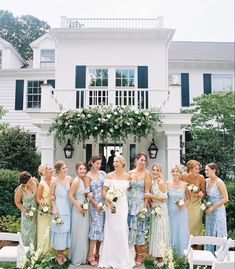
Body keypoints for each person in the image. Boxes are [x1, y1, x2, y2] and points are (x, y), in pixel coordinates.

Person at [99, 155, 135, 269]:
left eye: (117, 161)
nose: (115, 163)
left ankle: (123, 258)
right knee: (111, 229)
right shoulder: (109, 175)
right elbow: (104, 191)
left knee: (121, 229)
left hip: (122, 206)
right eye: (114, 161)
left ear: (122, 163)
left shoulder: (128, 176)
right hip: (111, 206)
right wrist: (109, 201)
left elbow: (130, 189)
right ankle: (109, 258)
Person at [128, 153, 151, 266]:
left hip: (140, 203)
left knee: (139, 230)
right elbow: (127, 188)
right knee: (130, 228)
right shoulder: (130, 173)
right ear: (136, 160)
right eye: (141, 160)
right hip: (130, 203)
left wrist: (144, 208)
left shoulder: (147, 174)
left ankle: (139, 254)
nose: (143, 162)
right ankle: (131, 253)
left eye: (144, 160)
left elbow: (147, 192)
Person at [145, 163, 171, 265]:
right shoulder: (152, 182)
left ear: (160, 172)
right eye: (153, 170)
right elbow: (151, 198)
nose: (155, 172)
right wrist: (152, 204)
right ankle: (157, 256)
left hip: (162, 210)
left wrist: (150, 195)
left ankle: (162, 258)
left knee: (161, 232)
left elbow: (164, 198)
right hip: (155, 209)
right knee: (155, 232)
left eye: (157, 170)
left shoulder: (160, 182)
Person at [50, 160, 72, 265]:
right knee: (59, 231)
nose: (66, 169)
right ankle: (58, 255)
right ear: (58, 170)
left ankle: (62, 253)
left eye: (66, 167)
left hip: (68, 208)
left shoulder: (69, 179)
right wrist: (54, 209)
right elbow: (51, 197)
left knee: (65, 231)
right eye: (63, 168)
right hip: (58, 208)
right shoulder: (54, 181)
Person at [85, 156, 106, 266]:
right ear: (92, 163)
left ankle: (98, 253)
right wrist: (96, 205)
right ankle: (90, 255)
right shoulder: (87, 176)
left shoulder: (103, 174)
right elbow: (88, 193)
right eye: (97, 163)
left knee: (101, 229)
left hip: (104, 205)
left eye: (100, 163)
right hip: (95, 206)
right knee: (95, 228)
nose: (99, 165)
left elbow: (106, 187)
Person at [69, 162, 90, 266]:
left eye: (84, 169)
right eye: (80, 169)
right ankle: (77, 257)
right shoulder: (76, 181)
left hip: (85, 207)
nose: (82, 170)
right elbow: (71, 196)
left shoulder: (85, 179)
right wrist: (78, 208)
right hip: (78, 208)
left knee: (84, 232)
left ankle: (84, 257)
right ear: (77, 170)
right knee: (79, 233)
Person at [167, 164, 190, 256]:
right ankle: (171, 254)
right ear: (171, 173)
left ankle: (183, 254)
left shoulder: (185, 184)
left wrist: (184, 205)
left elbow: (189, 198)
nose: (175, 173)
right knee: (172, 231)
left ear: (180, 173)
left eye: (177, 171)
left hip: (182, 213)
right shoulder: (167, 183)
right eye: (173, 171)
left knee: (182, 232)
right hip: (171, 212)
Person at [205, 163, 228, 251]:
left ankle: (220, 256)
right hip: (209, 211)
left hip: (218, 211)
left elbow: (226, 199)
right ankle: (208, 255)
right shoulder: (206, 181)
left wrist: (213, 207)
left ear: (213, 170)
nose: (205, 171)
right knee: (209, 231)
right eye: (205, 170)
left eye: (207, 170)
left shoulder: (219, 182)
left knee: (219, 232)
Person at [180, 160, 206, 238]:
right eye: (196, 169)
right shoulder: (183, 176)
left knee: (197, 225)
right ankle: (186, 244)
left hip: (196, 205)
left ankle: (198, 246)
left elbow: (204, 193)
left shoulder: (201, 178)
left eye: (198, 169)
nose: (198, 171)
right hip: (186, 204)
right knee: (186, 225)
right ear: (190, 169)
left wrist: (200, 194)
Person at [14, 171, 38, 247]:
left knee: (37, 232)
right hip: (27, 215)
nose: (32, 183)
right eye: (29, 182)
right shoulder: (20, 190)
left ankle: (36, 254)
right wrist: (26, 212)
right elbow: (17, 203)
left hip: (37, 212)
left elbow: (40, 193)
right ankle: (26, 255)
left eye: (31, 180)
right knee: (27, 234)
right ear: (24, 183)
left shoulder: (35, 180)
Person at [36, 164, 54, 252]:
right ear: (45, 172)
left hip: (54, 207)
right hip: (45, 209)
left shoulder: (55, 180)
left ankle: (52, 252)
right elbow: (38, 198)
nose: (52, 170)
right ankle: (43, 252)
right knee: (44, 230)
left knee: (52, 230)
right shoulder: (41, 184)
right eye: (50, 169)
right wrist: (42, 204)